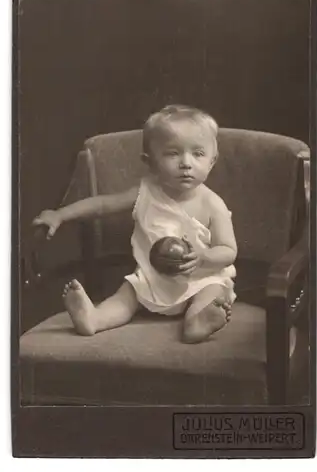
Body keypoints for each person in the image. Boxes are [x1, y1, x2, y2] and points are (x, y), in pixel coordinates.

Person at [33, 105, 237, 343]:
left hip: (200, 277)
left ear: (212, 161)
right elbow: (102, 205)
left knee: (212, 292)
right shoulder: (145, 192)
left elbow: (228, 250)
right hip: (153, 278)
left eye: (198, 154)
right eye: (173, 153)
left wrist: (204, 257)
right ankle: (95, 319)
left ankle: (198, 322)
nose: (186, 163)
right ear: (149, 162)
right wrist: (60, 215)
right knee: (127, 294)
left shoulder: (212, 204)